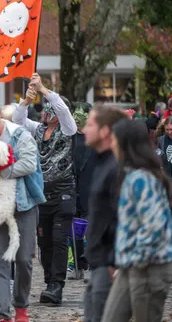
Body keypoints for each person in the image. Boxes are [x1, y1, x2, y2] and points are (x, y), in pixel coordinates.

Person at [0, 102, 45, 322]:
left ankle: (21, 307)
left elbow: (29, 164)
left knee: (23, 260)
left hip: (23, 206)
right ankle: (1, 313)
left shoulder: (19, 135)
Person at [13, 73, 77, 305]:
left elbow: (61, 108)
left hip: (64, 192)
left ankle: (56, 285)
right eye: (45, 107)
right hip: (42, 194)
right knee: (45, 242)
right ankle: (50, 280)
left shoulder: (68, 129)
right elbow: (18, 121)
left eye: (51, 108)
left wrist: (43, 88)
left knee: (60, 239)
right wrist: (26, 100)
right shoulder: (38, 130)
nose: (47, 111)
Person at [101, 119, 172, 321]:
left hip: (148, 268)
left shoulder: (142, 179)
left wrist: (136, 261)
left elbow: (154, 226)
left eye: (113, 140)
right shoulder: (128, 175)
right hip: (130, 266)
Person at [81, 104, 128, 322]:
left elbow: (122, 217)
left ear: (105, 131)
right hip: (98, 262)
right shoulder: (101, 162)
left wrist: (112, 262)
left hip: (108, 265)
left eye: (90, 124)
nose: (84, 129)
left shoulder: (116, 168)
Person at [67, 103, 94, 280]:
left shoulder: (95, 138)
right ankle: (78, 265)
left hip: (91, 189)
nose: (77, 121)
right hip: (73, 188)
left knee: (92, 228)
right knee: (75, 228)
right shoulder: (69, 137)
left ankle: (92, 265)